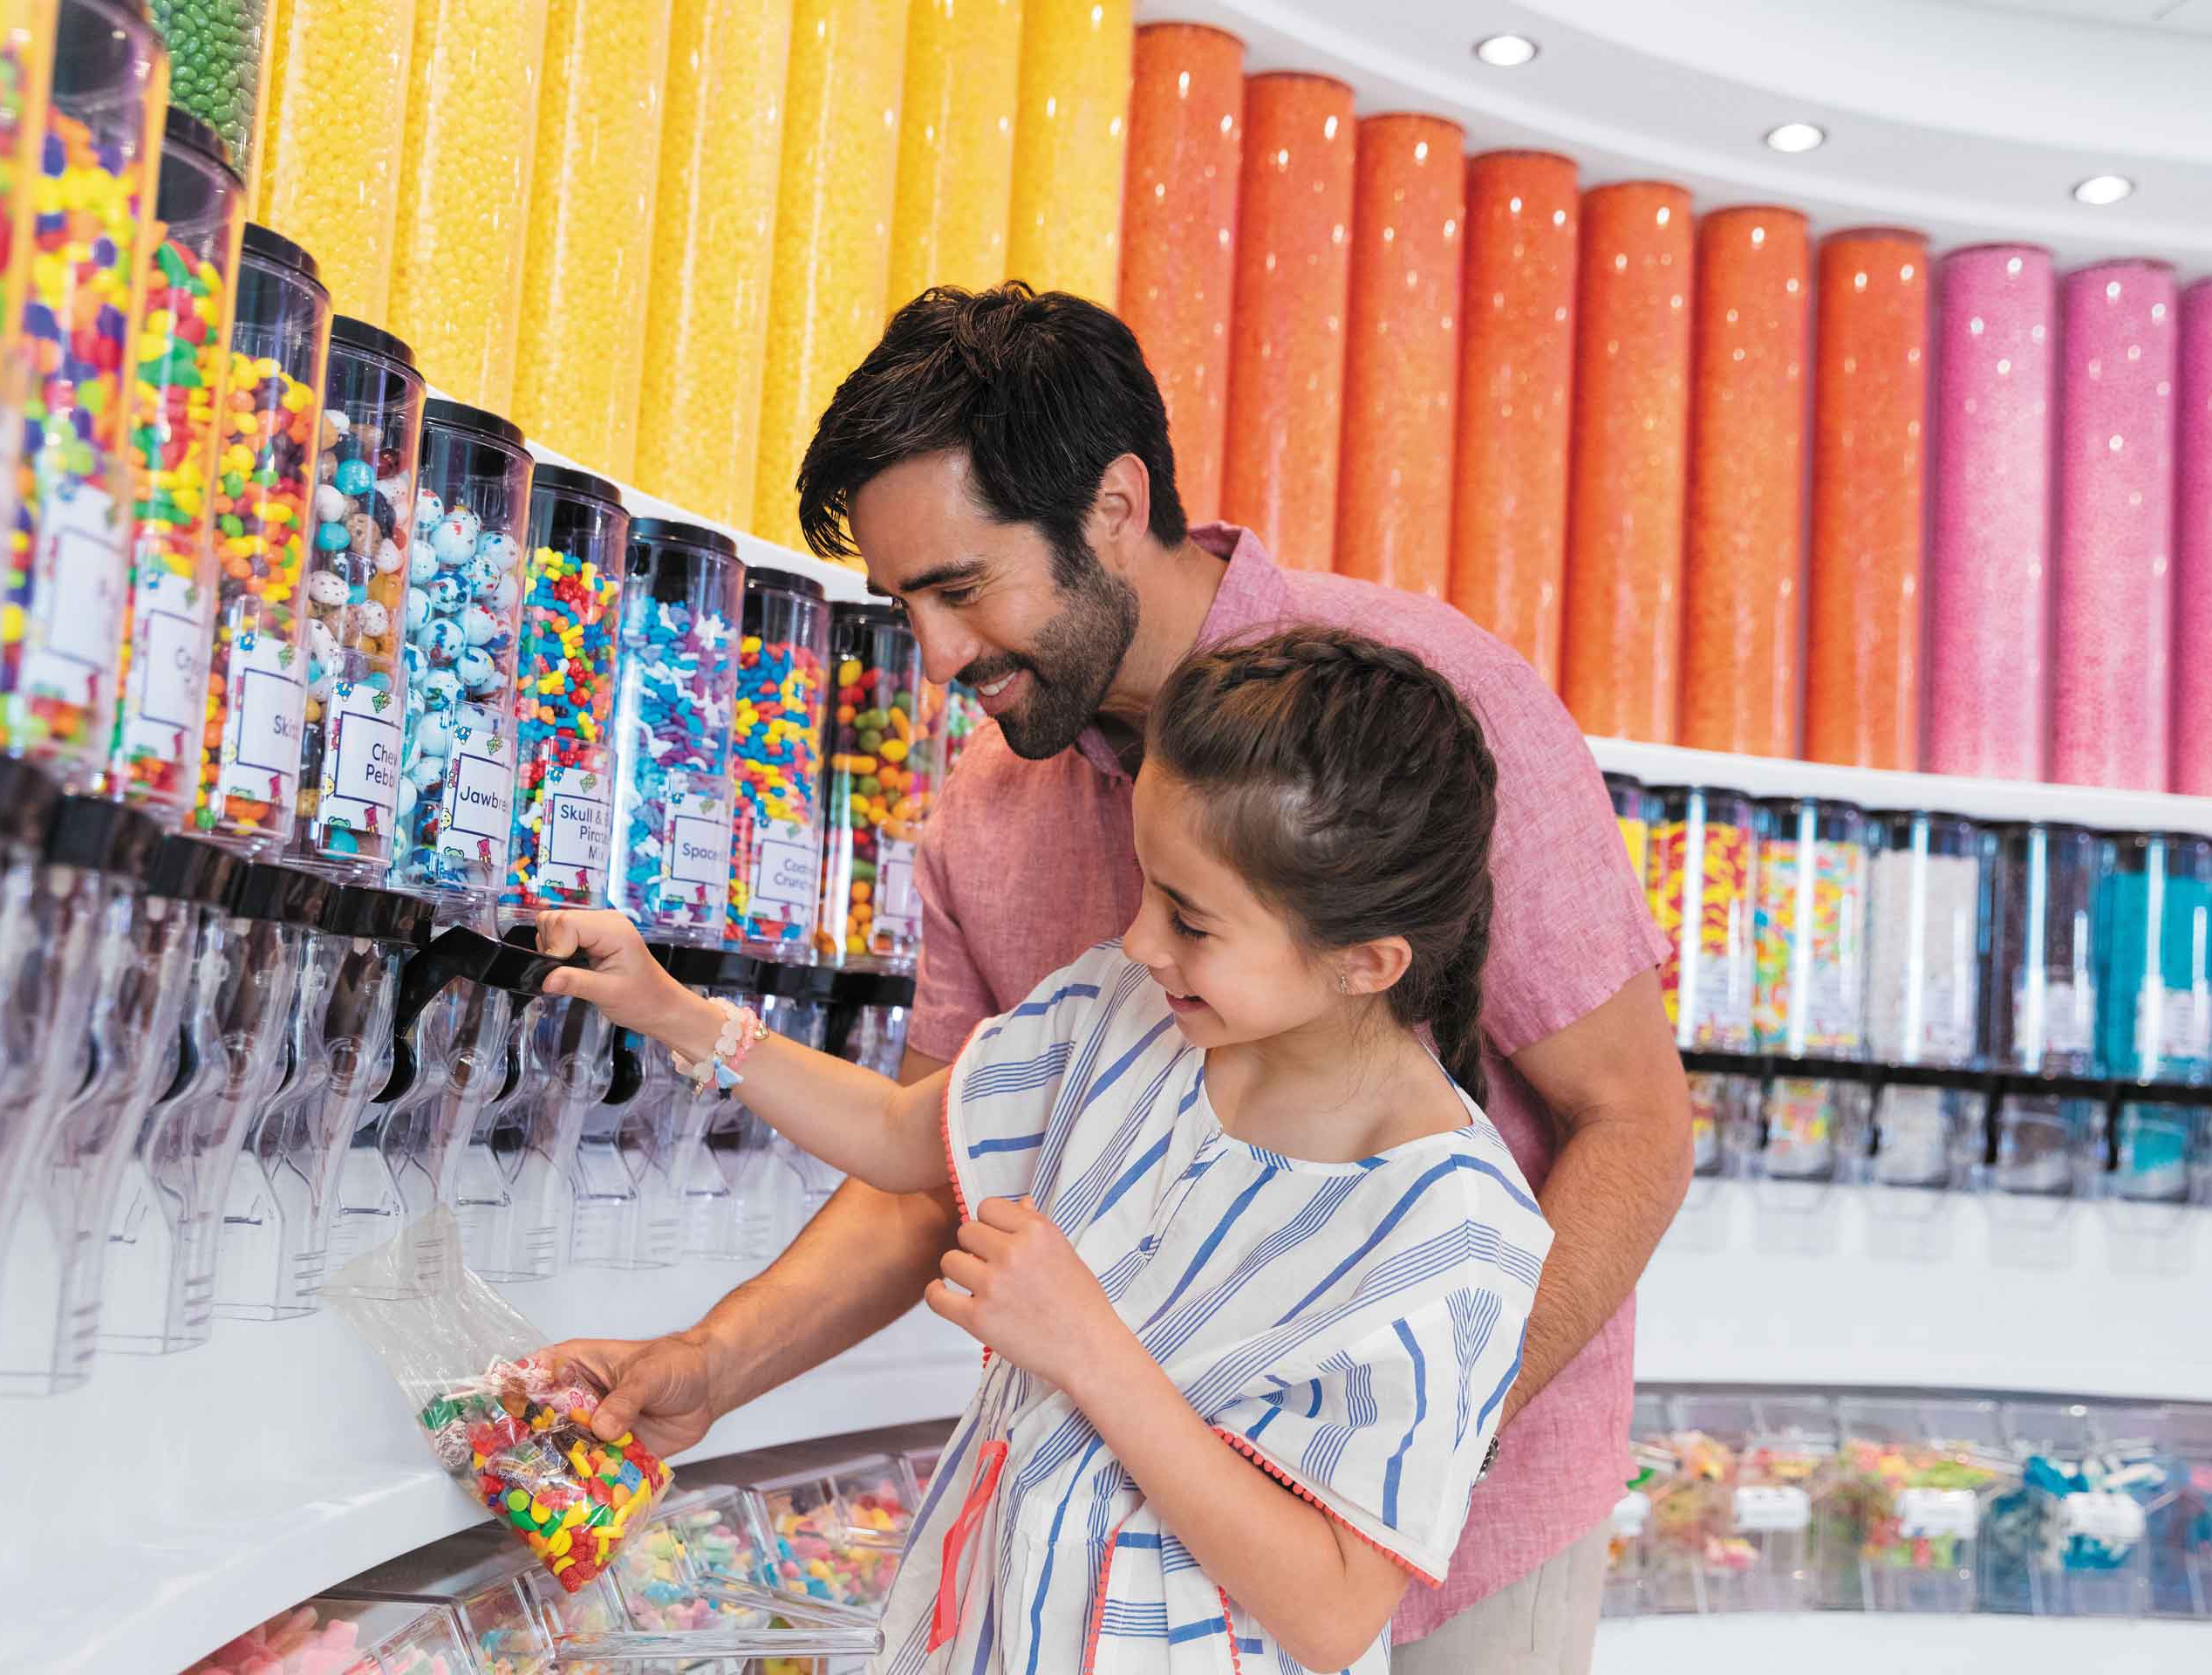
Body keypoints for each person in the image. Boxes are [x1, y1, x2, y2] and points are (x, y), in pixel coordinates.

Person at [549, 284, 1692, 1672]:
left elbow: (1632, 1121)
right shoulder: (988, 809)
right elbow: (936, 1164)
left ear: (1111, 504)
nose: (938, 656)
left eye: (963, 588)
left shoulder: (1437, 714)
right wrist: (714, 1360)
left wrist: (1405, 1448)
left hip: (1465, 1519)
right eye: (905, 602)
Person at [539, 630, 1552, 1673]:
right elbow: (898, 1140)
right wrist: (679, 1015)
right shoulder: (1128, 1009)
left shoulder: (1456, 1236)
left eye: (1193, 922)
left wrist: (1089, 1349)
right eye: (1147, 887)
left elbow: (1333, 1612)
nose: (1145, 940)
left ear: (1366, 963)